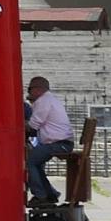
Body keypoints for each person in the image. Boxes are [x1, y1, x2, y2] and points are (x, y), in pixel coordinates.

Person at [25, 76, 73, 204]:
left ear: (38, 89)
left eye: (30, 89)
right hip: (62, 142)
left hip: (58, 143)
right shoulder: (50, 100)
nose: (28, 93)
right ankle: (50, 193)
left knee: (29, 162)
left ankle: (41, 195)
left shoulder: (43, 101)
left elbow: (33, 125)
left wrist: (20, 124)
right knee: (37, 162)